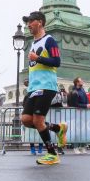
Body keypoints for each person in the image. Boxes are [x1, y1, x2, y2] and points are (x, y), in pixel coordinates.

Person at [20, 11, 67, 165]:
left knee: (38, 120)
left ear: (39, 22)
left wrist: (38, 58)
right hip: (33, 87)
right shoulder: (33, 43)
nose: (28, 25)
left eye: (30, 22)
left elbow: (57, 61)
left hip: (47, 86)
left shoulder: (49, 40)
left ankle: (52, 154)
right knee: (26, 120)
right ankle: (57, 128)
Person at [68, 77, 90, 154]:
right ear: (77, 82)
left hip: (83, 113)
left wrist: (87, 104)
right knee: (76, 131)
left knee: (84, 130)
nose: (82, 81)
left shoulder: (82, 90)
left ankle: (83, 147)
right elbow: (75, 104)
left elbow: (86, 98)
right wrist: (85, 106)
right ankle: (75, 147)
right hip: (77, 113)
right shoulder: (74, 91)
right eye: (81, 80)